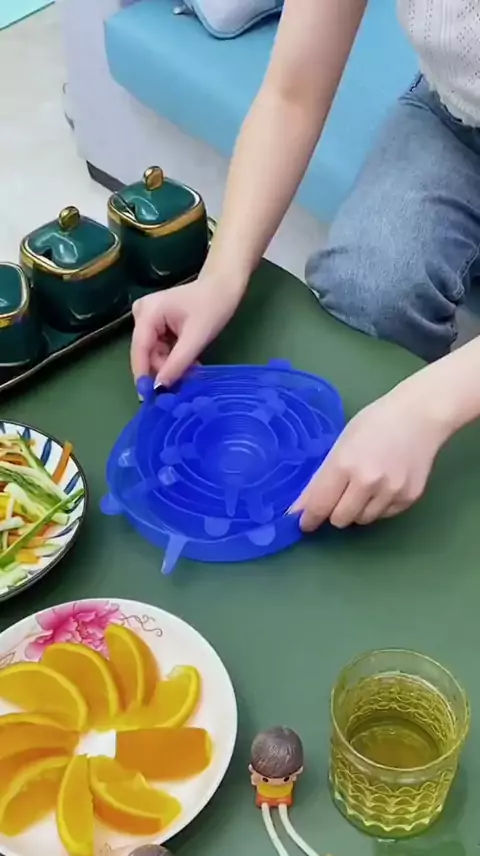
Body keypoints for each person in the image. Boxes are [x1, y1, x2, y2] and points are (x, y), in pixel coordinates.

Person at [131, 0, 480, 532]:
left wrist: (429, 407)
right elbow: (291, 93)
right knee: (366, 289)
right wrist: (220, 276)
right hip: (457, 118)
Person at [249, 726, 304, 807]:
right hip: (264, 793)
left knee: (283, 806)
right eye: (265, 779)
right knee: (264, 806)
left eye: (286, 779)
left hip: (284, 794)